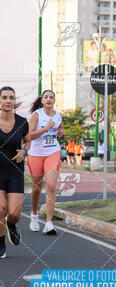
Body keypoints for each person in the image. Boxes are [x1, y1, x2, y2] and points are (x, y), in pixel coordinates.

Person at [0, 87, 31, 258]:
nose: (8, 101)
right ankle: (0, 242)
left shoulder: (22, 122)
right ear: (0, 101)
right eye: (4, 97)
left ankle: (11, 225)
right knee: (0, 209)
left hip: (15, 172)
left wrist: (24, 151)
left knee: (14, 214)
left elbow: (28, 141)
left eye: (11, 98)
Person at [27, 89, 64, 235]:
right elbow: (29, 136)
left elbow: (60, 130)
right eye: (46, 97)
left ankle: (49, 223)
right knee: (37, 188)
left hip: (52, 152)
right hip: (35, 154)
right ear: (42, 100)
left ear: (54, 100)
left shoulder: (58, 116)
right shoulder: (36, 115)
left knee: (51, 185)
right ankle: (34, 215)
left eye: (51, 97)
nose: (49, 99)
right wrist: (46, 128)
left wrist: (60, 133)